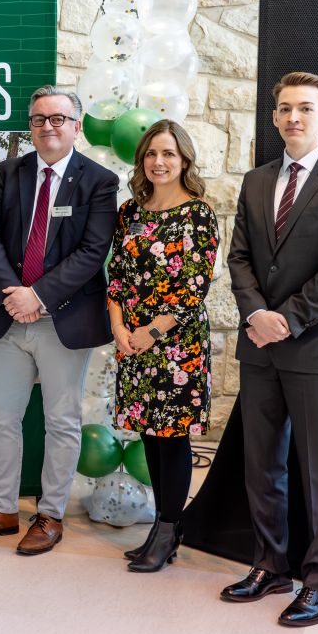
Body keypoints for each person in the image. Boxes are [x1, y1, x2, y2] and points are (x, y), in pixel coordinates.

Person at [223, 72, 318, 627]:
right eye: (285, 108)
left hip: (312, 348)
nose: (293, 117)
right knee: (262, 464)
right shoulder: (256, 180)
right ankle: (270, 566)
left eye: (305, 108)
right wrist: (255, 315)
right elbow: (239, 257)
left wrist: (284, 321)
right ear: (274, 116)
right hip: (258, 345)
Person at [0, 86, 118, 554]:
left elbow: (93, 251)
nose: (47, 126)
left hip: (62, 319)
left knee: (61, 422)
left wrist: (39, 296)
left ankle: (50, 515)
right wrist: (16, 295)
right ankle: (3, 511)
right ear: (30, 126)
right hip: (9, 315)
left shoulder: (99, 181)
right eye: (38, 119)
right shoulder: (10, 173)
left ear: (77, 126)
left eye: (57, 118)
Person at [107, 120, 219, 572]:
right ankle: (162, 526)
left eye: (169, 153)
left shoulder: (198, 214)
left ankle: (170, 529)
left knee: (171, 438)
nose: (159, 161)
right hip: (132, 343)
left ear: (184, 159)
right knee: (149, 436)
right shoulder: (130, 212)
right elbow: (116, 276)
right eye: (152, 153)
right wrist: (119, 328)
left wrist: (150, 333)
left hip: (176, 346)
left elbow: (194, 288)